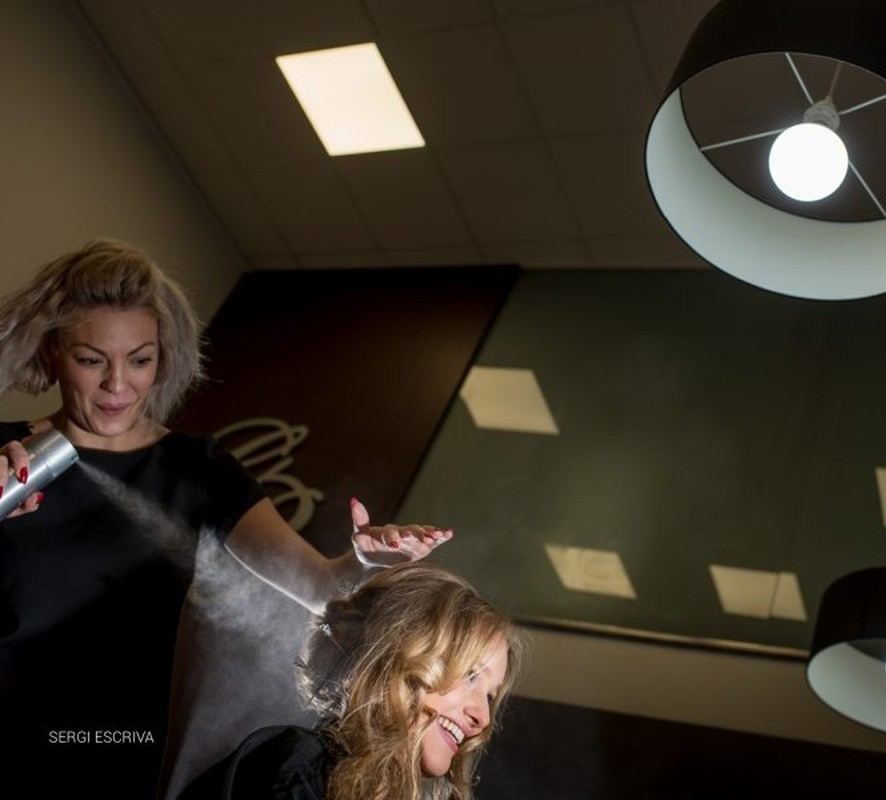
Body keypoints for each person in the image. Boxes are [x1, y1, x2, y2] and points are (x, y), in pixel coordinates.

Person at [0, 238, 452, 797]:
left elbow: (317, 589)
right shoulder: (4, 454)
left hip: (113, 743)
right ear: (52, 354)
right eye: (91, 360)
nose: (118, 385)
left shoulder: (199, 471)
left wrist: (363, 560)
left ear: (163, 358)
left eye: (140, 359)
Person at [178, 561, 523, 800]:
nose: (484, 718)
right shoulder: (296, 764)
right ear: (398, 653)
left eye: (491, 697)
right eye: (471, 676)